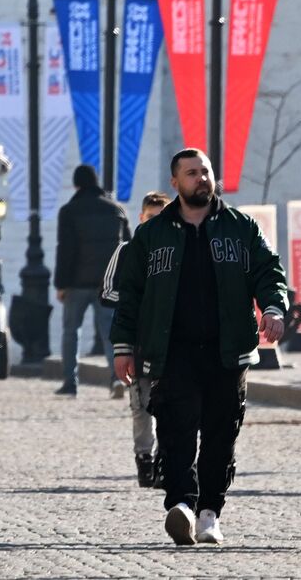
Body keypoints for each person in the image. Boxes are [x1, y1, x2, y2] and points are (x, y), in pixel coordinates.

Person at [109, 149, 288, 547]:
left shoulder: (241, 227)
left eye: (205, 171)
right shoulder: (152, 235)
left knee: (221, 435)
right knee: (176, 433)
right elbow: (131, 294)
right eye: (191, 173)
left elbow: (268, 271)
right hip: (172, 351)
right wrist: (123, 346)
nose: (201, 179)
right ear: (175, 183)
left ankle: (210, 512)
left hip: (228, 351)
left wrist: (273, 307)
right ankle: (182, 506)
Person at [103, 191, 170, 488]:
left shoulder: (178, 249)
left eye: (161, 217)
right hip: (140, 341)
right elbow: (108, 293)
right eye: (150, 217)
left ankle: (167, 459)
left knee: (173, 405)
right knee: (141, 405)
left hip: (171, 342)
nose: (155, 223)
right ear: (141, 218)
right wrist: (143, 304)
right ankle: (144, 458)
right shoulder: (127, 251)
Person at [54, 164, 131, 399]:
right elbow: (127, 247)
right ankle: (117, 379)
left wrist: (61, 284)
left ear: (77, 184)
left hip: (76, 282)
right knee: (110, 333)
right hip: (107, 284)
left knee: (71, 331)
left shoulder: (69, 211)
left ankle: (70, 382)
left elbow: (65, 249)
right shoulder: (116, 210)